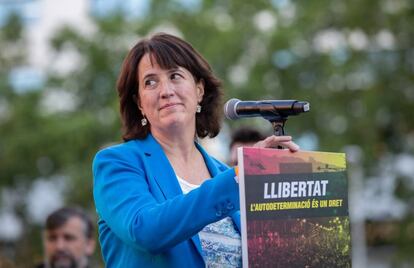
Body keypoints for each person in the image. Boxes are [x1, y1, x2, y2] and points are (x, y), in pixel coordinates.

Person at [92, 32, 299, 267]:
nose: (165, 90)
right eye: (150, 81)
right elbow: (146, 230)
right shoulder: (117, 163)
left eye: (175, 76)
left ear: (199, 89)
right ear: (139, 102)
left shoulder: (225, 174)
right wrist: (242, 176)